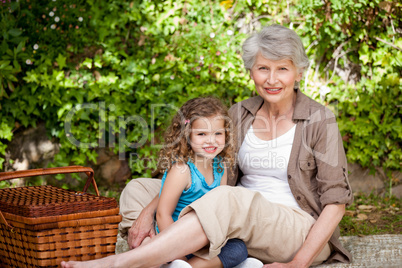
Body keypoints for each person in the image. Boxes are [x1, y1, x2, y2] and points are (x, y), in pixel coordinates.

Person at [61, 24, 353, 268]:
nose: (272, 79)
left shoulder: (319, 120)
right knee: (139, 189)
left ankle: (120, 263)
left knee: (230, 198)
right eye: (263, 68)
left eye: (283, 69)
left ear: (299, 73)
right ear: (251, 71)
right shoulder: (241, 113)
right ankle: (177, 259)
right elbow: (204, 166)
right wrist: (152, 209)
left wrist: (298, 263)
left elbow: (336, 203)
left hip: (293, 229)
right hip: (230, 217)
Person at [153, 97, 247, 268]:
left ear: (226, 134)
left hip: (204, 239)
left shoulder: (220, 167)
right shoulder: (182, 170)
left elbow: (221, 207)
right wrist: (178, 253)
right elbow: (162, 214)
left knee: (239, 248)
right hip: (174, 238)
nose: (211, 141)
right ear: (186, 136)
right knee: (156, 252)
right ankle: (181, 264)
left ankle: (191, 266)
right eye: (202, 134)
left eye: (218, 133)